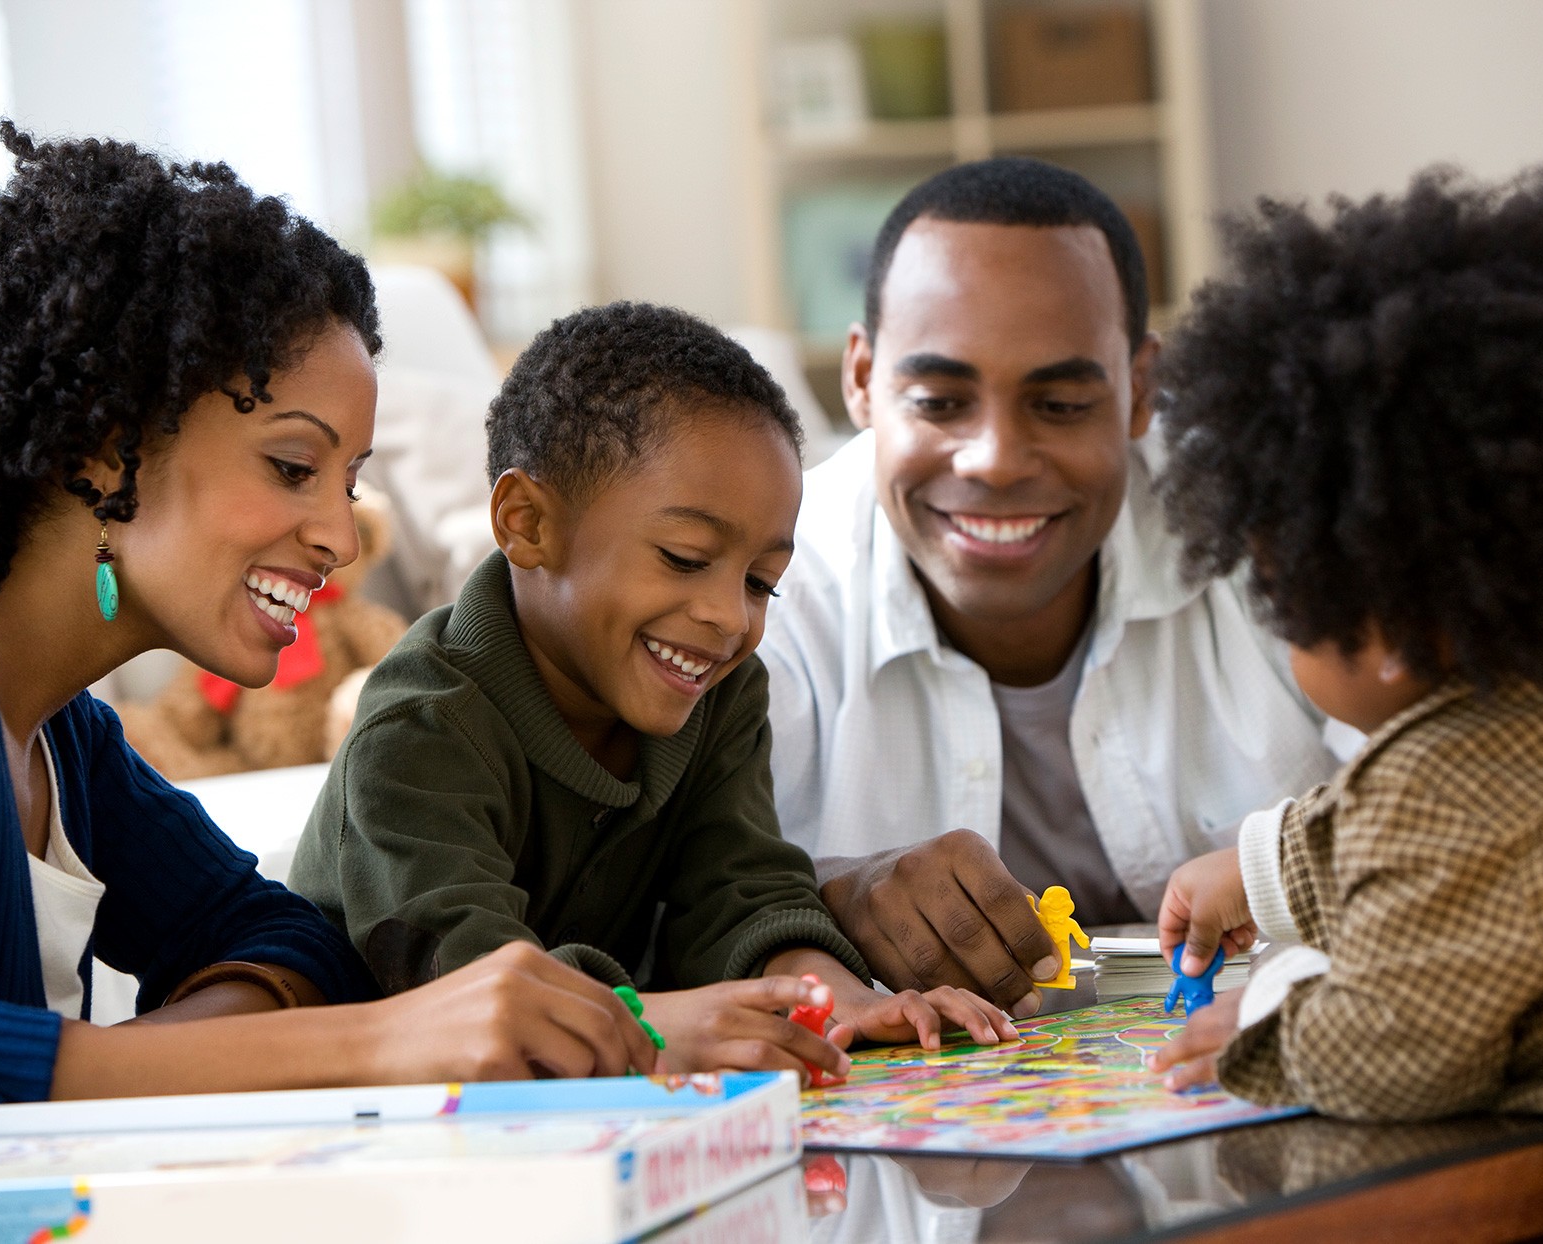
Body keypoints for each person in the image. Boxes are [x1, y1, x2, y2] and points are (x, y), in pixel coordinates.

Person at [0, 124, 665, 1121]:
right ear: (98, 443)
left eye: (350, 482)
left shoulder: (60, 730)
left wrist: (163, 1062)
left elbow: (287, 937)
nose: (342, 538)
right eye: (293, 467)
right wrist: (377, 1040)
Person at [1146, 168, 1543, 1230]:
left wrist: (1269, 1017)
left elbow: (1395, 1053)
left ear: (1377, 634)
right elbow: (1434, 831)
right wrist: (1254, 867)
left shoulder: (1436, 798)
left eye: (1283, 596)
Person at [289, 301, 1015, 1084]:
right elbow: (465, 981)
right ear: (527, 523)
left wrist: (829, 998)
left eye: (761, 582)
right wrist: (659, 1025)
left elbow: (741, 888)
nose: (727, 617)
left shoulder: (718, 694)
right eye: (684, 556)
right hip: (383, 1130)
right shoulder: (421, 726)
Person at [761, 157, 1342, 1016]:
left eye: (1061, 404)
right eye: (937, 400)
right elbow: (665, 901)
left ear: (1140, 389)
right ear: (860, 379)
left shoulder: (1272, 522)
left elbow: (1476, 783)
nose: (994, 460)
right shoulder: (767, 589)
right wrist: (830, 897)